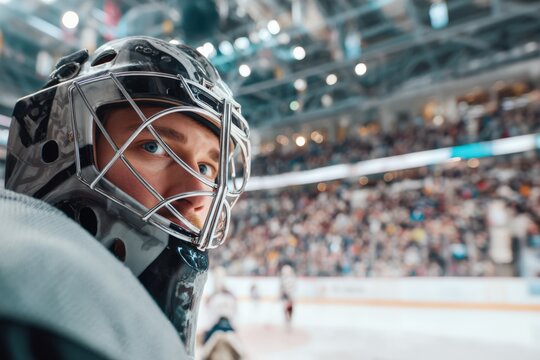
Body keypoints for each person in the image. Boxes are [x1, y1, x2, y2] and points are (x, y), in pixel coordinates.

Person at [0, 36, 251, 359]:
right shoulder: (33, 315)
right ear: (61, 146)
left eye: (206, 167)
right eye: (153, 146)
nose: (199, 196)